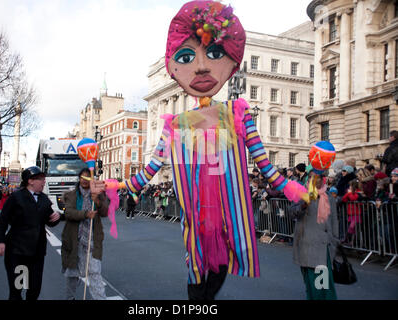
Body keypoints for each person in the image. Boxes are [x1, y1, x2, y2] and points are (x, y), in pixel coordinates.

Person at [108, 0, 304, 300]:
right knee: (196, 272)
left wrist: (291, 188)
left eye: (214, 54)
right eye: (187, 56)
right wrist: (117, 184)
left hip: (229, 215)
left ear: (231, 61)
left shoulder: (237, 113)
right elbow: (152, 166)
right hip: (196, 215)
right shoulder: (177, 124)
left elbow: (264, 163)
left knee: (221, 265)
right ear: (175, 68)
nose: (201, 66)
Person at [0, 166, 61, 300]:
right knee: (17, 289)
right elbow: (2, 221)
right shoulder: (16, 197)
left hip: (37, 252)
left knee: (34, 289)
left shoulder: (44, 199)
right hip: (17, 252)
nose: (44, 182)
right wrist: (0, 241)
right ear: (30, 181)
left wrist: (57, 217)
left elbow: (50, 221)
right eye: (41, 179)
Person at [288, 171, 339, 300]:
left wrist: (335, 242)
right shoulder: (300, 195)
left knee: (323, 284)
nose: (312, 180)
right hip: (307, 245)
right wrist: (304, 204)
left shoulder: (329, 198)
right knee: (311, 282)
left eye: (316, 177)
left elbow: (334, 222)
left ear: (323, 180)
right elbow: (292, 213)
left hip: (324, 246)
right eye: (310, 177)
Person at [61, 168, 109, 300]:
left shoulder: (99, 194)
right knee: (72, 274)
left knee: (95, 273)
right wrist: (85, 214)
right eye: (82, 177)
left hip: (92, 241)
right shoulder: (71, 195)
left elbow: (105, 212)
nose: (84, 180)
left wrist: (98, 201)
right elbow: (68, 213)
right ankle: (69, 299)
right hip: (73, 240)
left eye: (87, 177)